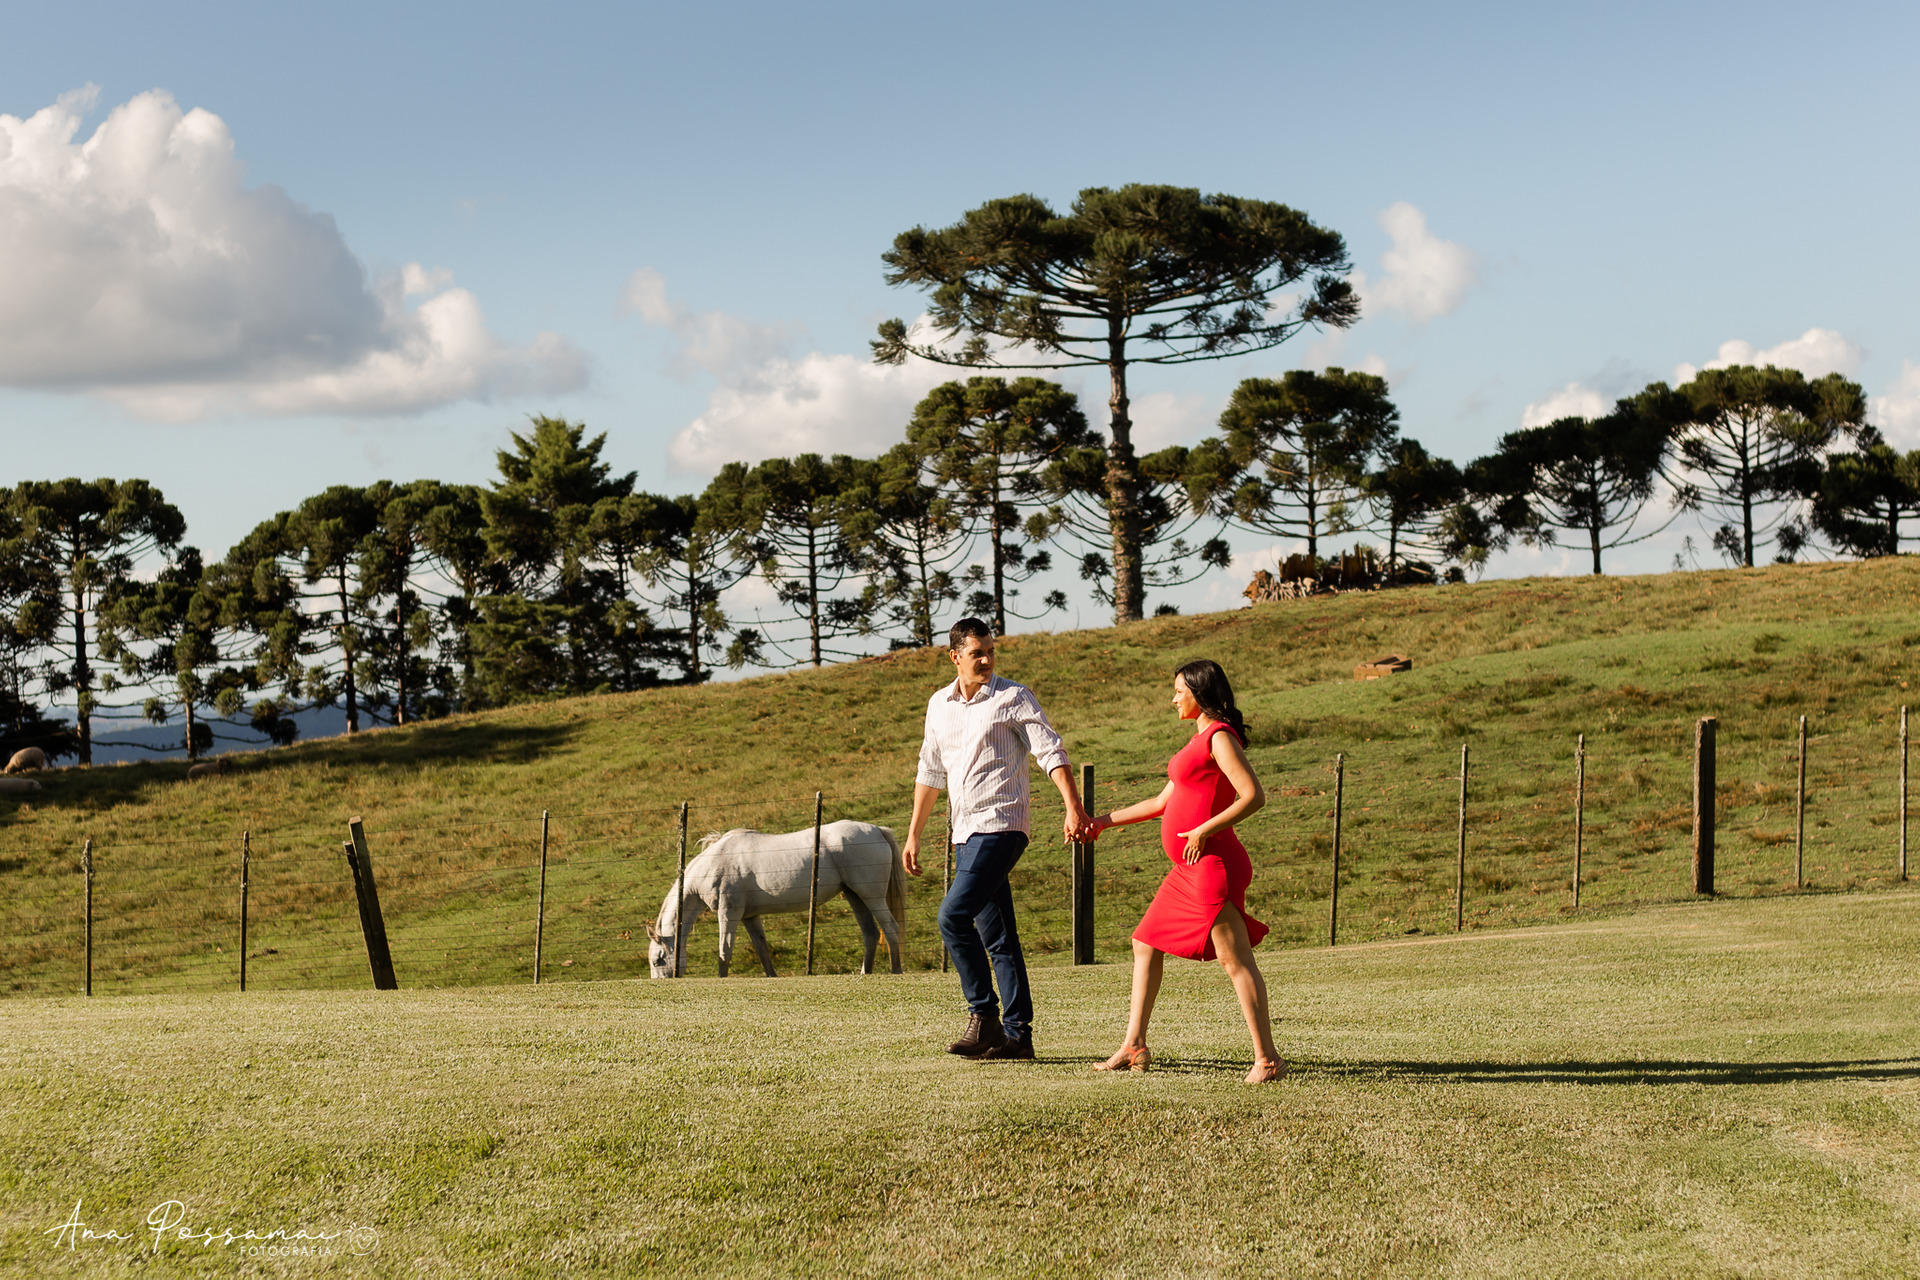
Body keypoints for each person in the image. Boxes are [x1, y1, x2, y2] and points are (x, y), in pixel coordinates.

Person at [903, 618, 1094, 1061]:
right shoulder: (939, 705)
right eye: (977, 653)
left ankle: (983, 1015)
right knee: (999, 937)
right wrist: (914, 834)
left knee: (952, 917)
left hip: (1003, 825)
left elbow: (1051, 751)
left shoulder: (1013, 696)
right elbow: (929, 772)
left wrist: (1073, 806)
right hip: (964, 833)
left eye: (990, 651)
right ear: (955, 657)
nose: (987, 660)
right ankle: (1018, 1038)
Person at [1086, 659, 1285, 1084]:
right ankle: (1134, 1044)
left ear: (1199, 692)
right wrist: (1101, 821)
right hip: (1186, 867)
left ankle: (1266, 1059)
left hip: (1212, 863)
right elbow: (1161, 804)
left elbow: (1254, 796)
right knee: (1144, 942)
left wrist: (1204, 829)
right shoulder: (1195, 745)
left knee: (1235, 960)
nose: (1173, 697)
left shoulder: (1220, 737)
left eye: (1179, 690)